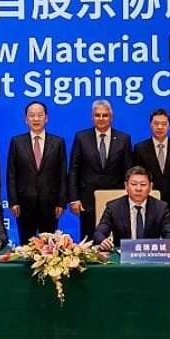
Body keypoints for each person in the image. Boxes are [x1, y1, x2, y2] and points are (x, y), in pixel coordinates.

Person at [68, 99, 133, 243]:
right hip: (87, 200)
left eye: (105, 115)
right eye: (97, 115)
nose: (101, 118)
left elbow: (129, 171)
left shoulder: (123, 139)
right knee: (88, 242)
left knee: (115, 241)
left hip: (116, 198)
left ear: (111, 117)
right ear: (92, 117)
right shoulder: (81, 137)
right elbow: (73, 169)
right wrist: (74, 198)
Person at [6, 101, 67, 244]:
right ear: (26, 119)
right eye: (32, 115)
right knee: (26, 245)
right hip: (24, 204)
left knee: (49, 247)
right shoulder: (17, 142)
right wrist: (13, 201)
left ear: (46, 118)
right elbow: (11, 174)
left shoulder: (58, 142)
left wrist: (61, 202)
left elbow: (63, 175)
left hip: (50, 203)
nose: (36, 119)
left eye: (40, 115)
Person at [132, 108, 170, 235]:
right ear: (150, 125)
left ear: (169, 126)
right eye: (156, 123)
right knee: (150, 239)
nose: (160, 127)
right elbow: (135, 178)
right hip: (148, 202)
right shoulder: (139, 148)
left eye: (164, 124)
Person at [94, 166, 170, 251]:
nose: (138, 189)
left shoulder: (161, 208)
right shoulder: (113, 207)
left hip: (150, 255)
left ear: (150, 187)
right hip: (123, 255)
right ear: (126, 186)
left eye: (143, 185)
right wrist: (102, 241)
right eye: (134, 184)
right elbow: (99, 233)